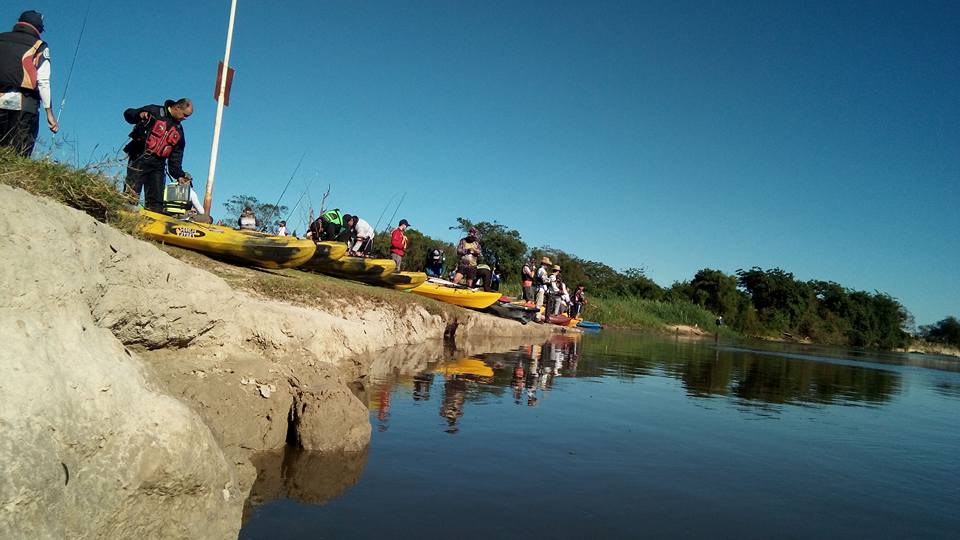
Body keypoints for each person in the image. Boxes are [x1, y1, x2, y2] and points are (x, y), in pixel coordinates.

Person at [0, 10, 58, 156]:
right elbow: (43, 81)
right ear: (39, 29)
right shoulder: (40, 46)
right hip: (25, 103)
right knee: (19, 153)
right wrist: (49, 114)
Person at [122, 98, 192, 212]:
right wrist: (139, 114)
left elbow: (176, 157)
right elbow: (128, 114)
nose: (185, 118)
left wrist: (179, 175)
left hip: (158, 166)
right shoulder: (154, 111)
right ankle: (124, 220)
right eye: (185, 115)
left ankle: (152, 224)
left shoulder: (179, 131)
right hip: (139, 157)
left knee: (156, 202)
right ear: (177, 107)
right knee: (131, 194)